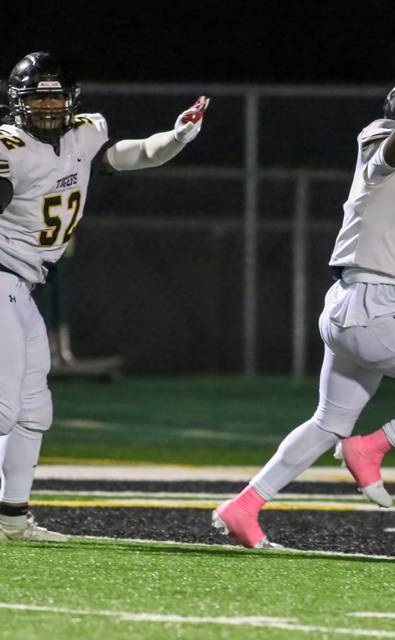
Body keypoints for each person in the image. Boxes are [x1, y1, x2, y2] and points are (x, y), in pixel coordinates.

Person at [213, 8, 395, 549]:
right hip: (367, 306)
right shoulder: (386, 145)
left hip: (355, 308)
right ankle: (374, 449)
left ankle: (244, 506)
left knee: (327, 423)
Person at [0, 52, 209, 541]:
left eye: (56, 96)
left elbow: (133, 155)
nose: (49, 106)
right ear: (17, 102)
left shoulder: (83, 135)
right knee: (5, 408)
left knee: (34, 410)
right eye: (39, 96)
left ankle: (10, 520)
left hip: (22, 284)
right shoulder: (9, 145)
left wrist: (176, 136)